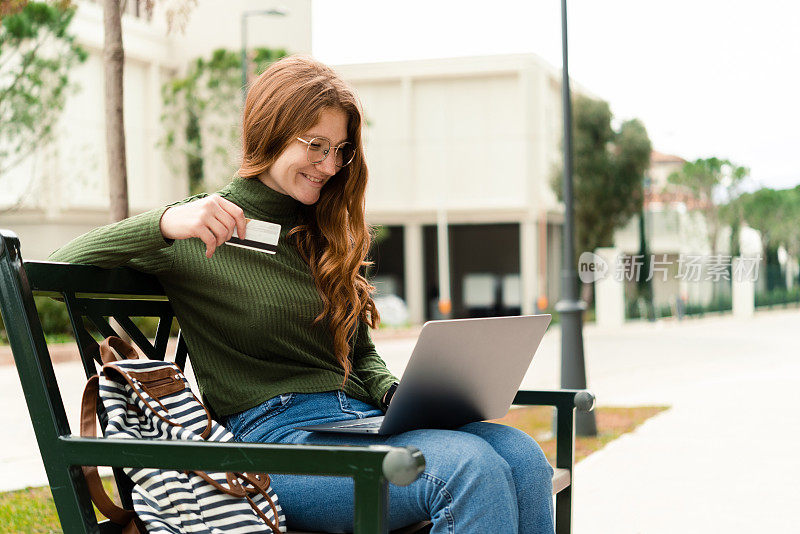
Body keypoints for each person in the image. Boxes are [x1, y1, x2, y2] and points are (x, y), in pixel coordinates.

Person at [50, 55, 555, 534]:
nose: (329, 165)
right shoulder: (197, 229)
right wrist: (163, 222)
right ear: (269, 133)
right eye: (315, 145)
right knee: (465, 470)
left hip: (357, 423)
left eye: (339, 150)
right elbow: (60, 266)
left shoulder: (320, 234)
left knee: (522, 455)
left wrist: (392, 392)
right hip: (270, 448)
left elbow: (359, 355)